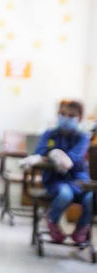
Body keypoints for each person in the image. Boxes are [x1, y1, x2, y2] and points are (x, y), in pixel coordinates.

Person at [35, 99, 92, 244]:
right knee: (65, 194)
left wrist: (58, 155)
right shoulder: (50, 134)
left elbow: (74, 158)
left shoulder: (83, 136)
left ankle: (81, 230)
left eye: (71, 116)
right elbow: (40, 152)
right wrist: (52, 153)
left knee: (90, 197)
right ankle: (52, 221)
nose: (65, 118)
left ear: (79, 118)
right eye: (62, 114)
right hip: (56, 179)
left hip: (79, 180)